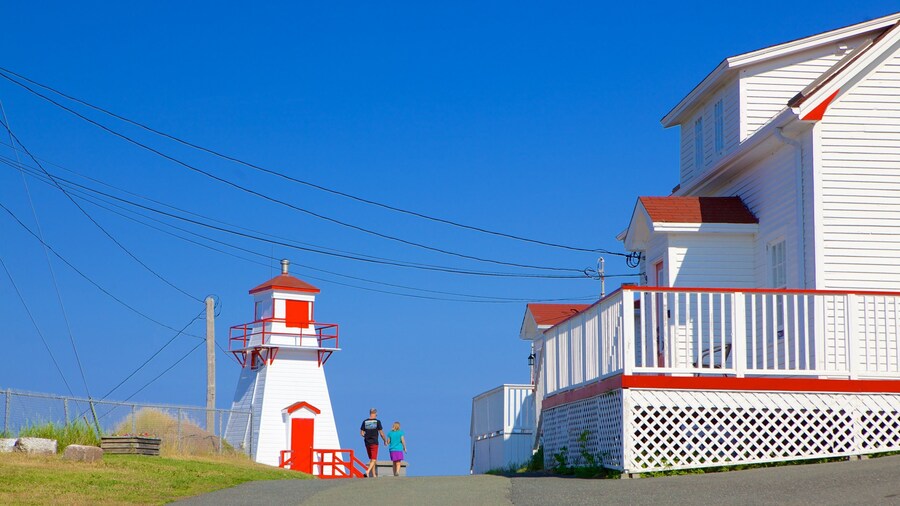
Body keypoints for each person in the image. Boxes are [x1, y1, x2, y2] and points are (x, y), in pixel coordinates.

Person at [359, 408, 387, 477]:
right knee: (374, 459)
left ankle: (374, 475)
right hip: (374, 442)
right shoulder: (377, 422)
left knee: (372, 459)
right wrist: (385, 440)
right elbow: (381, 433)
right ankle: (367, 471)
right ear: (375, 414)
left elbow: (361, 433)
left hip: (367, 442)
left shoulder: (365, 421)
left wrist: (366, 436)